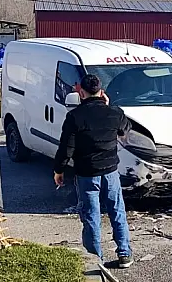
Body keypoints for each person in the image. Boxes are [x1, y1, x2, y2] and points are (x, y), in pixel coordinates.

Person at [53, 74, 134, 268]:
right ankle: (124, 253)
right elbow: (125, 129)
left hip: (87, 174)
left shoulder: (75, 117)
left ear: (81, 92)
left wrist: (59, 170)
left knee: (91, 217)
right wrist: (108, 105)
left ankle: (95, 260)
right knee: (117, 212)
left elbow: (66, 148)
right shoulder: (114, 112)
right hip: (111, 172)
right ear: (101, 92)